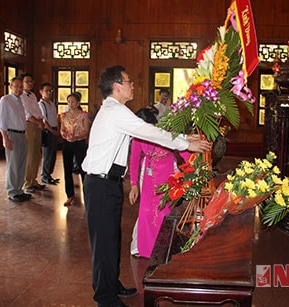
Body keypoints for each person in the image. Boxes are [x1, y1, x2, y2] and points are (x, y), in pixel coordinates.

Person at [81, 65, 211, 307]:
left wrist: (184, 139)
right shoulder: (115, 112)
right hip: (99, 184)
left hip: (107, 183)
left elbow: (151, 132)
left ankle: (111, 284)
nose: (133, 85)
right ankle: (105, 298)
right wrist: (184, 144)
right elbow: (148, 132)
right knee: (103, 243)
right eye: (129, 81)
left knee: (112, 238)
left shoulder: (115, 110)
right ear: (117, 86)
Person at [128, 108, 188, 258]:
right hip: (147, 175)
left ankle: (165, 247)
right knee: (147, 211)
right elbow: (134, 159)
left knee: (165, 210)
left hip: (168, 175)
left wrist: (193, 168)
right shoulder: (137, 137)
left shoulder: (165, 132)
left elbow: (182, 148)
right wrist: (133, 185)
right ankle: (146, 249)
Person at [0, 77, 31, 202]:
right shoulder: (5, 100)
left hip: (22, 135)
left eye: (21, 86)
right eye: (16, 86)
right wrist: (5, 138)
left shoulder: (20, 101)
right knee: (13, 164)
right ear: (11, 86)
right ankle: (12, 191)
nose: (19, 89)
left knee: (22, 163)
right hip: (12, 134)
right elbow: (2, 121)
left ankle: (19, 189)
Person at [60, 92, 89, 206]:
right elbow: (62, 130)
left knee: (83, 169)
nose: (71, 104)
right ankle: (70, 195)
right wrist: (64, 134)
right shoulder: (64, 115)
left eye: (73, 102)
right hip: (67, 143)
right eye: (69, 102)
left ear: (78, 103)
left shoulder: (84, 115)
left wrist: (76, 136)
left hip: (79, 143)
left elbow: (86, 130)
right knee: (67, 169)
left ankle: (87, 194)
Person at [21, 73, 46, 193]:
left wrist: (41, 120)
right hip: (29, 125)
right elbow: (26, 113)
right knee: (30, 154)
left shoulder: (32, 95)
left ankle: (33, 180)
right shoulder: (21, 96)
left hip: (37, 124)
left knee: (37, 154)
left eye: (31, 81)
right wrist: (37, 121)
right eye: (27, 81)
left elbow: (37, 110)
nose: (30, 83)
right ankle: (27, 183)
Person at [38, 82, 60, 185]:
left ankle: (49, 174)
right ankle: (44, 176)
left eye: (50, 91)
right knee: (47, 155)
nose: (49, 93)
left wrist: (58, 129)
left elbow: (55, 118)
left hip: (54, 130)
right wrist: (53, 131)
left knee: (53, 155)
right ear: (41, 92)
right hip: (48, 131)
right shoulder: (41, 104)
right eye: (47, 91)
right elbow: (44, 121)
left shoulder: (51, 103)